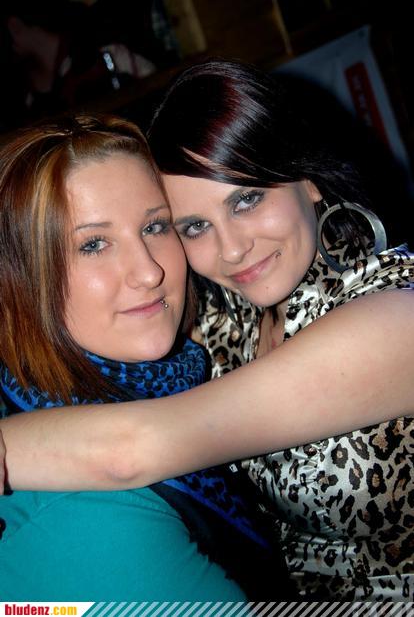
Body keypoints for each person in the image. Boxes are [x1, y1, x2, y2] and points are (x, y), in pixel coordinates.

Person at [1, 60, 414, 600]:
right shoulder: (220, 324)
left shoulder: (395, 317)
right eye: (193, 226)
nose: (233, 248)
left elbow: (134, 448)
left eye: (247, 199)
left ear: (307, 179)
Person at [0, 113, 285, 601]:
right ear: (21, 279)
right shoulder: (84, 516)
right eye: (93, 244)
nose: (149, 272)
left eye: (155, 226)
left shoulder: (192, 356)